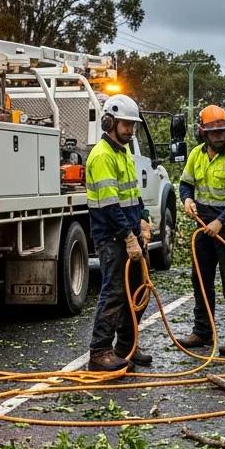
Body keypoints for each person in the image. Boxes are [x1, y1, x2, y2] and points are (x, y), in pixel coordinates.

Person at [85, 94, 152, 372]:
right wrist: (128, 237)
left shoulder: (122, 152)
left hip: (131, 232)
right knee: (113, 293)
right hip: (113, 237)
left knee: (136, 291)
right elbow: (110, 205)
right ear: (109, 122)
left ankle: (127, 346)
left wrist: (145, 220)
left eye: (132, 125)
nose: (130, 130)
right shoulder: (101, 156)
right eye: (126, 125)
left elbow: (132, 194)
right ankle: (100, 351)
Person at [177, 105, 225, 356]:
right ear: (204, 134)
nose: (220, 136)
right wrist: (186, 200)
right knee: (200, 278)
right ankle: (202, 331)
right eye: (215, 133)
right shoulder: (196, 155)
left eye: (223, 132)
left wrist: (221, 222)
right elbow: (185, 184)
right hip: (202, 223)